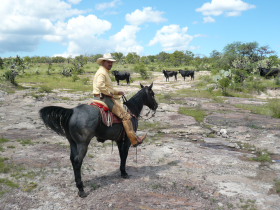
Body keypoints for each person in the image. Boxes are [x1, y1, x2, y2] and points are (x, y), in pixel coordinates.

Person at [92, 53, 146, 147]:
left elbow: (108, 88)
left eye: (111, 62)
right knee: (126, 116)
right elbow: (100, 86)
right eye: (108, 62)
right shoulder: (102, 72)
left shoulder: (103, 71)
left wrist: (118, 92)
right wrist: (109, 94)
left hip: (98, 96)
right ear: (103, 62)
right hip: (104, 98)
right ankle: (134, 140)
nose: (110, 64)